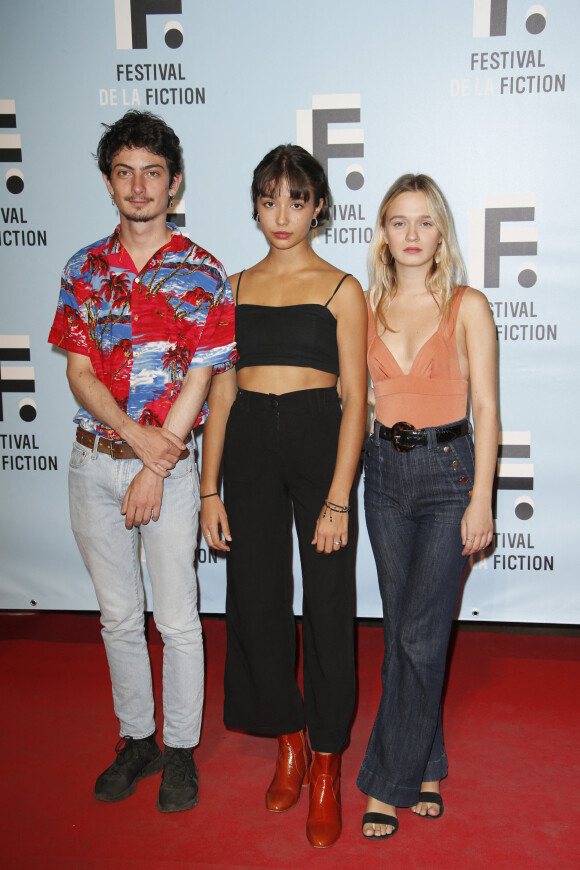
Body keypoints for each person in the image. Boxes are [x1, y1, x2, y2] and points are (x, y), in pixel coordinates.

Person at [48, 110, 236, 813]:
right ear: (108, 183)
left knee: (178, 618)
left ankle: (182, 748)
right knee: (118, 616)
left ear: (174, 182)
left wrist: (156, 469)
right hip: (93, 461)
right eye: (124, 172)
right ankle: (137, 740)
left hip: (170, 467)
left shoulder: (205, 271)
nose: (138, 185)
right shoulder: (83, 268)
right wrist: (132, 440)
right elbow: (78, 372)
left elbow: (202, 381)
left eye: (152, 172)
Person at [200, 145, 367, 848]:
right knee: (257, 597)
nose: (281, 215)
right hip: (248, 446)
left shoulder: (341, 289)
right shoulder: (232, 286)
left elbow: (357, 399)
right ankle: (290, 740)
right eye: (269, 200)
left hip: (316, 437)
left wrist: (337, 499)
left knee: (327, 605)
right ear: (256, 204)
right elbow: (220, 389)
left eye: (296, 200)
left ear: (319, 206)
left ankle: (326, 762)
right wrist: (209, 488)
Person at [357, 174, 498, 840]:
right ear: (382, 233)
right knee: (405, 631)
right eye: (397, 222)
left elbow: (490, 412)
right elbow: (351, 403)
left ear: (441, 234)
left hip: (448, 475)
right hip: (382, 474)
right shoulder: (364, 305)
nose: (411, 236)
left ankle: (387, 782)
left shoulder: (466, 304)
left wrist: (481, 499)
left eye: (424, 222)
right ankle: (429, 763)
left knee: (418, 633)